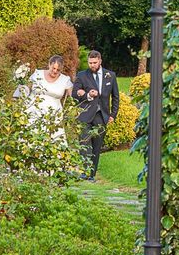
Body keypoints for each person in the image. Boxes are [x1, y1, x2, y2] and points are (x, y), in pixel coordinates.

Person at [72, 50, 119, 182]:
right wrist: (86, 93)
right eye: (90, 63)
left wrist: (113, 115)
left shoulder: (111, 76)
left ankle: (91, 175)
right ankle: (85, 172)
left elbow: (115, 97)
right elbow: (74, 94)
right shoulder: (81, 75)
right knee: (85, 144)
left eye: (94, 62)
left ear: (100, 61)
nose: (92, 65)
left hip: (101, 116)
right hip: (85, 114)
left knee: (97, 147)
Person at [26, 55, 73, 139]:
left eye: (58, 70)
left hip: (53, 116)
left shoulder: (65, 80)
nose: (55, 71)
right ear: (49, 65)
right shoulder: (37, 74)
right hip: (33, 111)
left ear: (61, 69)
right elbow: (26, 89)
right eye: (53, 68)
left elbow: (73, 95)